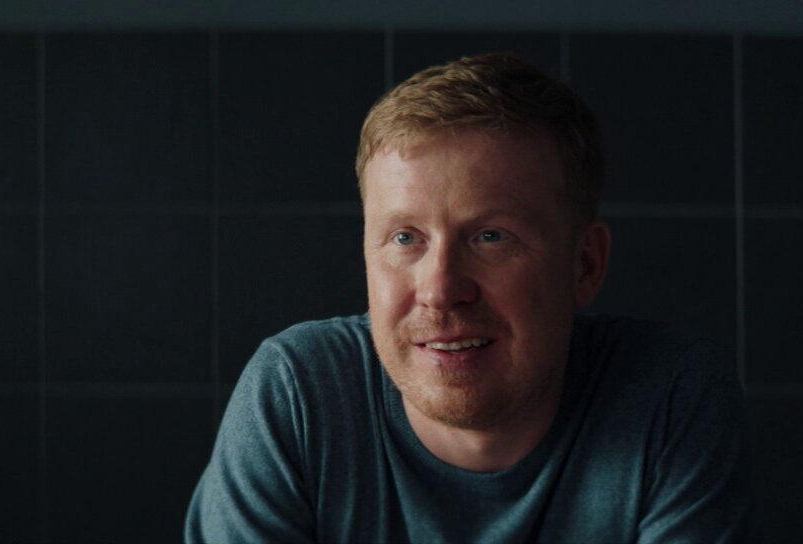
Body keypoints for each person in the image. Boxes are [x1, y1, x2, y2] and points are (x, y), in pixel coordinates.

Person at [185, 52, 752, 543]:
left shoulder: (669, 398)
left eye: (491, 237)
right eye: (405, 238)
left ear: (584, 264)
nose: (440, 290)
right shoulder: (297, 396)